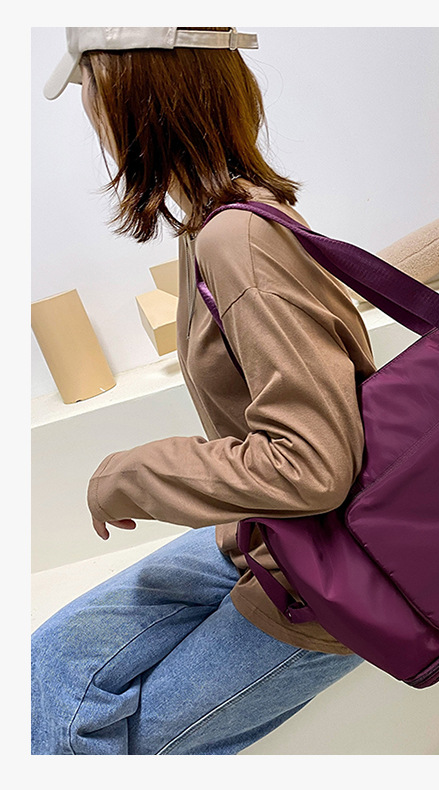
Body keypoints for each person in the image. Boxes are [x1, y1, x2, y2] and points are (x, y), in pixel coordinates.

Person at [32, 27, 376, 756]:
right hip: (275, 534)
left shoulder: (238, 241)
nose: (90, 112)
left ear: (136, 98)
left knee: (93, 744)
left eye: (92, 88)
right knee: (46, 665)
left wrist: (132, 474)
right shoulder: (215, 224)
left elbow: (313, 465)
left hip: (327, 581)